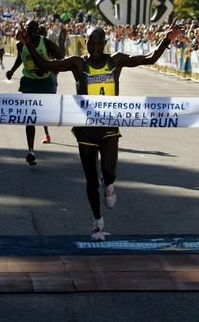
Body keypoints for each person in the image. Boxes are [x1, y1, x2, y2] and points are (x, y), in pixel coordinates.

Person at [17, 17, 181, 241]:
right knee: (91, 179)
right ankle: (97, 222)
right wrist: (27, 44)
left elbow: (150, 59)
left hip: (108, 127)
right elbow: (46, 65)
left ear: (105, 43)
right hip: (85, 128)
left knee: (109, 172)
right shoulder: (77, 63)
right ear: (86, 42)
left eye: (99, 43)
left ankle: (110, 185)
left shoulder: (116, 61)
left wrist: (167, 39)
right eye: (91, 43)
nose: (95, 48)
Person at [5, 19, 64, 165]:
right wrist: (12, 71)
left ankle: (46, 133)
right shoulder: (21, 45)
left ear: (38, 30)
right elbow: (20, 58)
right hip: (29, 82)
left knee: (42, 115)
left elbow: (61, 58)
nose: (31, 32)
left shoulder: (46, 43)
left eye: (33, 29)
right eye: (28, 29)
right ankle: (30, 150)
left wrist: (47, 68)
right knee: (29, 116)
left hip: (44, 82)